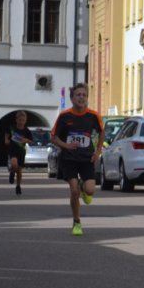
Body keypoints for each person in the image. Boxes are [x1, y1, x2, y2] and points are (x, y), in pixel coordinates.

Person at [51, 83, 104, 236]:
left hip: (87, 158)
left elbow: (102, 133)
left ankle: (83, 186)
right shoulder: (64, 116)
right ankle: (77, 222)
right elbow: (53, 138)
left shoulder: (93, 116)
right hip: (69, 159)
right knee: (74, 191)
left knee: (90, 190)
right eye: (78, 95)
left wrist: (98, 151)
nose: (81, 98)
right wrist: (66, 145)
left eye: (84, 95)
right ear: (72, 98)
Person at [5, 111, 34, 196]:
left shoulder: (27, 131)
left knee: (19, 171)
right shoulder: (12, 128)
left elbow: (31, 141)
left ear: (25, 120)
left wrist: (26, 140)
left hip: (21, 151)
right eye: (20, 120)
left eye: (23, 120)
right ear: (16, 119)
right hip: (12, 149)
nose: (21, 122)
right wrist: (6, 140)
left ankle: (18, 186)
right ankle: (12, 173)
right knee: (14, 164)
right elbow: (7, 134)